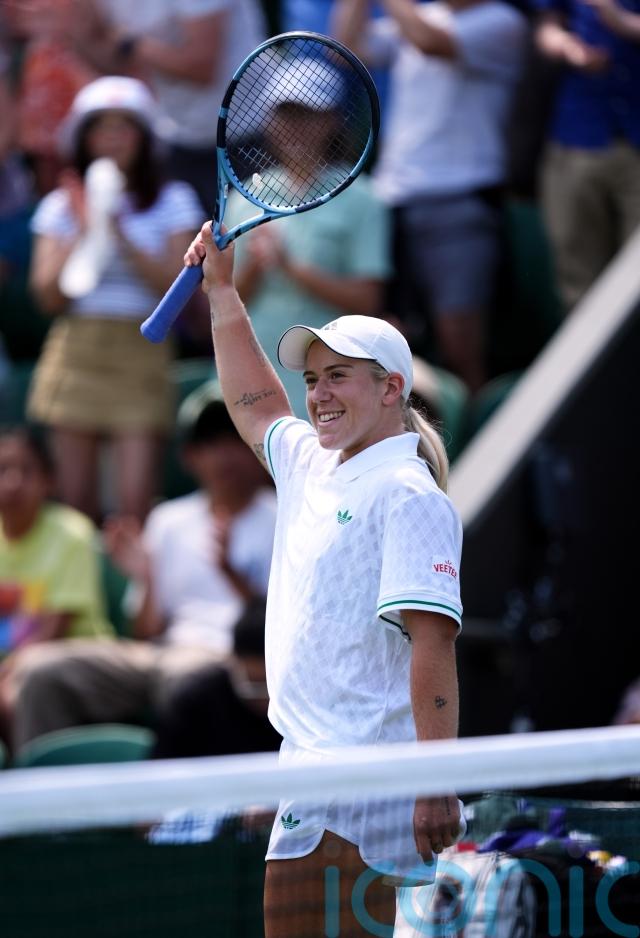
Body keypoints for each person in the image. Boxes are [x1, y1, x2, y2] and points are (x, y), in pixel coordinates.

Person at [184, 221, 464, 936]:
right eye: (312, 380)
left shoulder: (408, 494)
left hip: (365, 774)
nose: (319, 394)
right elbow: (255, 404)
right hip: (310, 765)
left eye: (338, 375)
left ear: (391, 388)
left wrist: (435, 781)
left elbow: (433, 646)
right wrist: (222, 293)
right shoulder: (311, 464)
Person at [7, 384, 277, 751]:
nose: (224, 455)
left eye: (235, 441)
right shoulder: (168, 519)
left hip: (224, 660)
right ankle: (47, 785)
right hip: (158, 653)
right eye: (210, 443)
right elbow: (144, 631)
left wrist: (230, 572)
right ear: (189, 456)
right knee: (40, 672)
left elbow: (274, 629)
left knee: (190, 681)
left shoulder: (282, 516)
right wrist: (147, 578)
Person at [26, 75, 204, 522]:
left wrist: (117, 233)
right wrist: (87, 229)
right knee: (76, 509)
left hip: (141, 352)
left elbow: (176, 288)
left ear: (143, 137)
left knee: (133, 509)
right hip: (76, 351)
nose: (112, 138)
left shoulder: (174, 200)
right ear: (85, 139)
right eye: (100, 127)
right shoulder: (59, 205)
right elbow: (48, 297)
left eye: (123, 126)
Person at [333, 0, 528, 392]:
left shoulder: (503, 21)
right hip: (394, 200)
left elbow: (429, 41)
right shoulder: (423, 17)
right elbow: (345, 49)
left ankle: (480, 429)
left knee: (460, 348)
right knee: (391, 345)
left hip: (460, 201)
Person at [225, 58, 391, 418]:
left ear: (331, 120)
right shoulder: (245, 196)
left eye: (308, 115)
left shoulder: (363, 198)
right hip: (253, 379)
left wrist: (292, 268)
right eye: (286, 116)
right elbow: (228, 300)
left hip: (331, 383)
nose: (295, 128)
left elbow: (367, 300)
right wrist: (256, 266)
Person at [60, 0, 267, 215]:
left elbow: (202, 68)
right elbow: (114, 63)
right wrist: (76, 32)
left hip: (249, 135)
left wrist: (128, 43)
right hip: (178, 137)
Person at [0, 424, 112, 744]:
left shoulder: (72, 533)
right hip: (13, 670)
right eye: (3, 470)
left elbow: (52, 632)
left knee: (19, 692)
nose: (13, 482)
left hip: (75, 663)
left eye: (26, 471)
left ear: (49, 481)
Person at [534, 0, 640, 311]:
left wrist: (615, 16)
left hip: (634, 138)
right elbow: (547, 27)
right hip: (577, 136)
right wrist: (568, 47)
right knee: (578, 275)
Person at [152, 598, 281, 759]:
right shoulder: (193, 702)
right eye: (254, 682)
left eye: (272, 685)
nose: (264, 698)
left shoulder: (300, 711)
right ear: (232, 660)